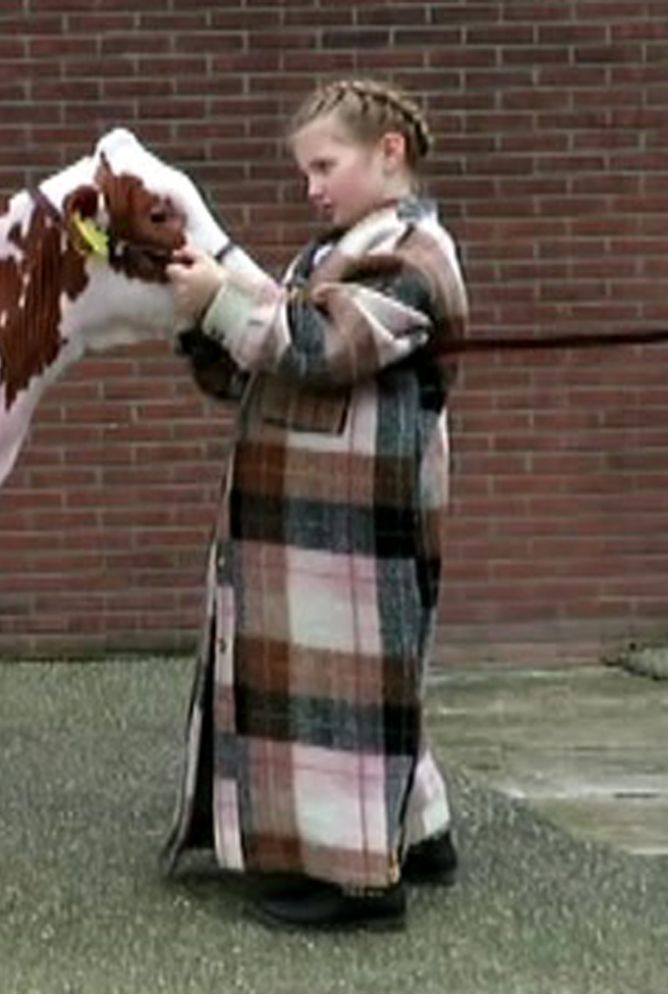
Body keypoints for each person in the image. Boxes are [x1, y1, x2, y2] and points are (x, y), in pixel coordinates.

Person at [161, 78, 467, 931]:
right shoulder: (323, 255)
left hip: (360, 520)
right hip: (309, 518)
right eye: (307, 172)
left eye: (325, 166)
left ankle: (359, 883)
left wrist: (221, 300)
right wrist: (201, 317)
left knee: (352, 682)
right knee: (357, 678)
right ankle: (419, 828)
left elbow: (323, 344)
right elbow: (254, 361)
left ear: (389, 153)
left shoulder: (417, 257)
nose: (313, 187)